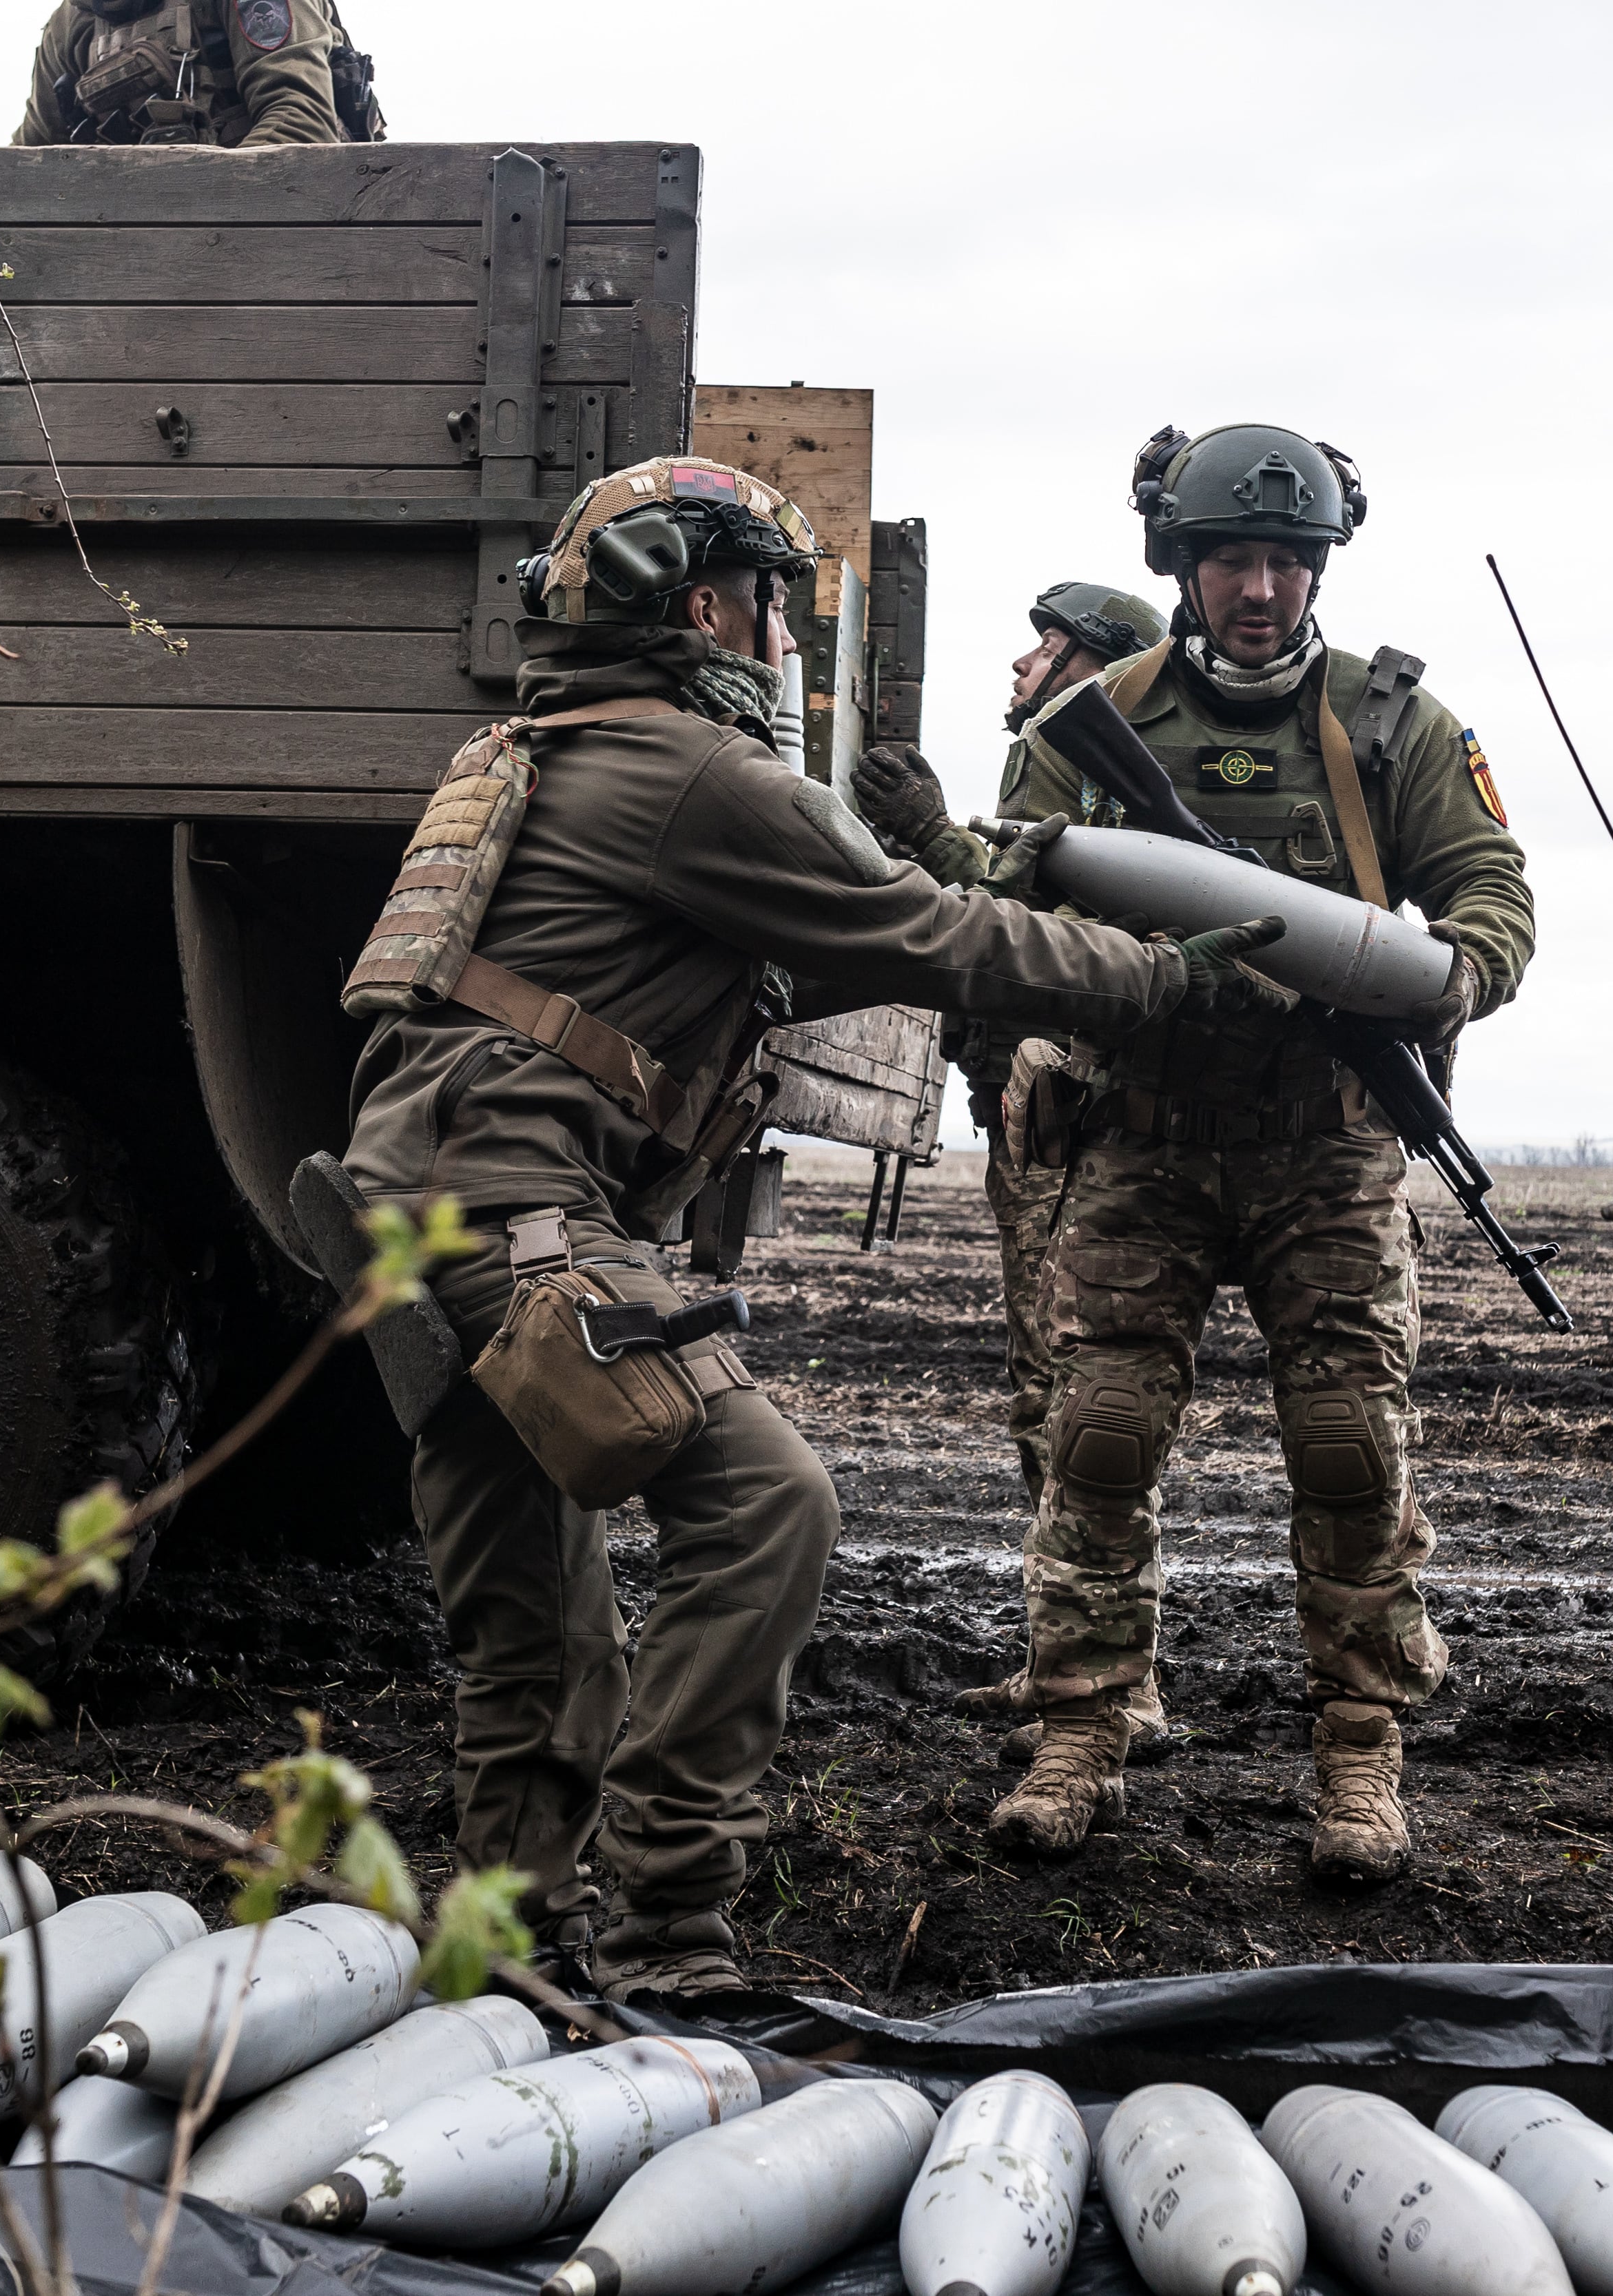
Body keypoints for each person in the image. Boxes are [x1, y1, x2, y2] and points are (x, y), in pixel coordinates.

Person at [309, 456, 1289, 2003]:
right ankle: (668, 1929)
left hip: (411, 1227)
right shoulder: (694, 775)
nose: (779, 643)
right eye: (771, 607)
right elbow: (930, 931)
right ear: (703, 606)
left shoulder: (529, 750)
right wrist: (1165, 977)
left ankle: (503, 1938)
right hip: (524, 1222)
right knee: (769, 1508)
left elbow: (769, 959)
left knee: (530, 1618)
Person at [971, 423, 1535, 1883]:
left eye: (1290, 560)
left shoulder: (1394, 724)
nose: (1264, 589)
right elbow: (1007, 905)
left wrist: (1431, 978)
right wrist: (1141, 971)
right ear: (1183, 562)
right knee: (1095, 1442)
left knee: (1351, 1455)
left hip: (1325, 1150)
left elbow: (1490, 896)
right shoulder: (1094, 722)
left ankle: (1360, 1754)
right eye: (1235, 557)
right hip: (1142, 1141)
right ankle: (1081, 1728)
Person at [861, 582, 1179, 1764]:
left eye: (1051, 646)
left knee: (1081, 1399)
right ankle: (1071, 1661)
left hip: (1078, 1114)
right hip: (1028, 1118)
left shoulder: (1115, 789)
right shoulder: (1051, 771)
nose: (1022, 660)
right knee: (1041, 1394)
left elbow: (1046, 933)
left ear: (1105, 671)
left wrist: (939, 841)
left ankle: (1116, 1687)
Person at [12, 0, 355, 147]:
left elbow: (301, 121)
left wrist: (195, 205)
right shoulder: (71, 23)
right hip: (133, 248)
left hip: (279, 228)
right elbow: (30, 155)